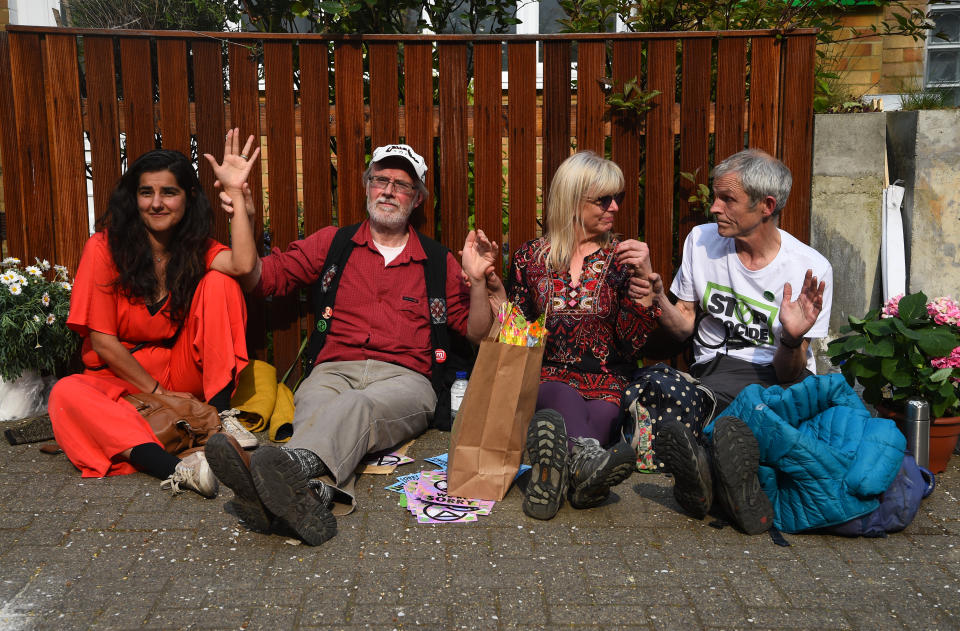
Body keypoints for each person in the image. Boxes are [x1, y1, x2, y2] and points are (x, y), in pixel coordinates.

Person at [204, 141, 500, 545]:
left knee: (355, 407)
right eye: (380, 180)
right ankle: (312, 494)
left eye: (401, 185)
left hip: (406, 381)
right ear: (366, 187)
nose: (388, 191)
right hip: (332, 369)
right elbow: (261, 278)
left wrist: (479, 281)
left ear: (416, 200)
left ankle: (279, 469)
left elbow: (479, 333)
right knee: (319, 403)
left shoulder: (438, 260)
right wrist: (241, 205)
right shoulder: (334, 244)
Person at [631, 148, 832, 534]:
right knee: (660, 383)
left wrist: (791, 339)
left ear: (766, 205)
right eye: (715, 195)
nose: (713, 207)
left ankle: (709, 482)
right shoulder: (702, 242)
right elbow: (684, 325)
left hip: (778, 379)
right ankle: (735, 484)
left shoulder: (811, 268)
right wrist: (658, 299)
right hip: (718, 377)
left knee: (777, 414)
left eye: (727, 198)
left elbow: (791, 372)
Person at [47, 144, 259, 498]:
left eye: (169, 193)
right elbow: (103, 342)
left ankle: (220, 423)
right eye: (146, 192)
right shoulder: (102, 248)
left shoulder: (194, 246)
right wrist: (160, 395)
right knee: (67, 393)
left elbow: (243, 266)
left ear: (188, 198)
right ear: (134, 198)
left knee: (221, 282)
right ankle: (179, 468)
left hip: (177, 370)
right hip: (118, 378)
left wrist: (236, 195)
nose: (156, 203)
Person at [508, 151, 661, 520]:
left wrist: (646, 288)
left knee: (603, 415)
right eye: (603, 200)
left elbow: (631, 343)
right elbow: (513, 335)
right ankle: (588, 470)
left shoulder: (624, 259)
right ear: (572, 200)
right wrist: (494, 289)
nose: (614, 208)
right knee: (561, 395)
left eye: (618, 198)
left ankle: (569, 474)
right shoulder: (530, 258)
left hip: (606, 382)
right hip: (546, 377)